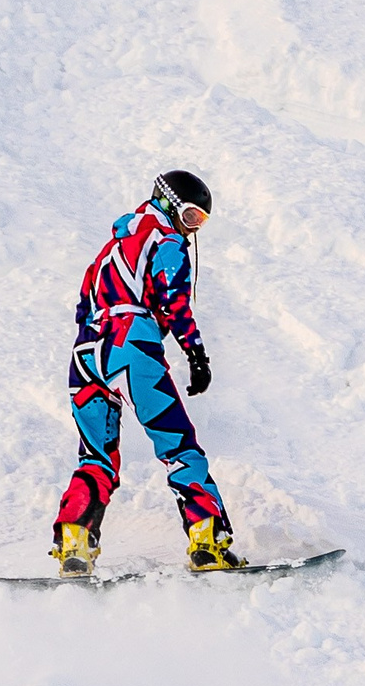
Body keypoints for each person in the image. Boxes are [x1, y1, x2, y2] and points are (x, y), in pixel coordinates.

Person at [53, 169, 243, 575]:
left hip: (87, 351)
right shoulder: (168, 240)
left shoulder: (110, 248)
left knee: (95, 455)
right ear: (170, 201)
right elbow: (173, 301)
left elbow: (82, 305)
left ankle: (74, 542)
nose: (192, 230)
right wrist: (196, 355)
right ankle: (208, 541)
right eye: (191, 217)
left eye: (200, 224)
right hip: (129, 344)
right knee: (178, 446)